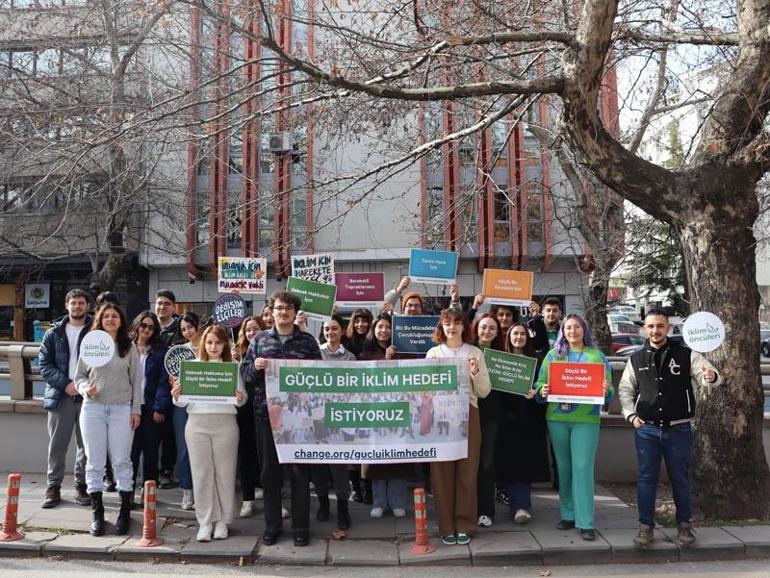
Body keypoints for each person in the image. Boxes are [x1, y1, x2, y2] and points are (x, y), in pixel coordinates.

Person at [619, 309, 721, 548]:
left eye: (660, 326)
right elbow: (625, 390)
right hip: (647, 430)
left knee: (680, 480)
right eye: (651, 326)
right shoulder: (636, 358)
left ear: (669, 328)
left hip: (679, 430)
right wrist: (630, 415)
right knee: (646, 480)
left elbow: (710, 377)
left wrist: (711, 376)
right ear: (644, 328)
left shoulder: (686, 354)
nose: (655, 331)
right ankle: (646, 528)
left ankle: (685, 526)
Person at [242, 291, 323, 547]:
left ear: (294, 312)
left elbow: (320, 377)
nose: (283, 312)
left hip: (298, 420)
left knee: (300, 475)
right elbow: (245, 374)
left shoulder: (308, 343)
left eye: (288, 308)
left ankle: (301, 528)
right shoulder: (259, 341)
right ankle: (272, 526)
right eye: (278, 308)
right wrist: (255, 368)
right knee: (269, 475)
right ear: (272, 311)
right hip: (267, 417)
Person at [536, 314, 613, 541]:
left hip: (586, 419)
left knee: (582, 467)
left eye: (576, 327)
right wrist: (543, 390)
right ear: (563, 331)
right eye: (568, 327)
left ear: (584, 330)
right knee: (565, 468)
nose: (572, 331)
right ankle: (567, 515)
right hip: (557, 418)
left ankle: (585, 521)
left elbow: (608, 393)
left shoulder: (597, 356)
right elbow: (540, 384)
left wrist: (606, 389)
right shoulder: (552, 355)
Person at [171, 324, 247, 542]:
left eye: (218, 342)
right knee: (202, 474)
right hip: (197, 425)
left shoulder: (232, 366)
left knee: (225, 473)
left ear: (225, 344)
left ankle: (223, 521)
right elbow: (181, 403)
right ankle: (205, 522)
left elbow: (243, 399)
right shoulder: (192, 367)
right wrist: (176, 395)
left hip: (225, 424)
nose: (213, 346)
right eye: (210, 342)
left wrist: (240, 397)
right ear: (203, 343)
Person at [75, 303, 141, 536]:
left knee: (122, 461)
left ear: (121, 321)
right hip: (93, 408)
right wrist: (85, 389)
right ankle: (98, 513)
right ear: (100, 320)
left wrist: (136, 411)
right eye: (106, 316)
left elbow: (136, 381)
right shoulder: (91, 344)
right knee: (94, 462)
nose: (111, 320)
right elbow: (79, 377)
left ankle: (124, 512)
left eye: (115, 316)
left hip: (121, 409)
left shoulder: (128, 347)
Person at [426, 308, 491, 546]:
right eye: (447, 323)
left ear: (464, 326)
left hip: (468, 413)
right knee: (441, 473)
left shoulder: (475, 352)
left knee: (467, 471)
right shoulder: (433, 353)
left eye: (456, 323)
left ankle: (464, 524)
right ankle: (446, 526)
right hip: (440, 415)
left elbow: (484, 391)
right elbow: (425, 389)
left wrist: (474, 372)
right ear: (441, 327)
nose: (452, 327)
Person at [39, 289, 93, 509]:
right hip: (61, 395)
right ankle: (54, 486)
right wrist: (66, 384)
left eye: (81, 303)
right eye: (73, 303)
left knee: (86, 445)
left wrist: (86, 385)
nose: (77, 307)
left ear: (88, 306)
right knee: (57, 444)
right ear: (66, 306)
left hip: (89, 395)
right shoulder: (53, 334)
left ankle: (82, 485)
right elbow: (44, 365)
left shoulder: (96, 332)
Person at [358, 313, 413, 519]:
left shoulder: (403, 351)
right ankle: (379, 502)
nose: (383, 331)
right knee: (377, 461)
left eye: (387, 327)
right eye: (380, 327)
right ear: (374, 330)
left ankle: (397, 502)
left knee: (398, 459)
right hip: (375, 415)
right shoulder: (365, 353)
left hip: (398, 412)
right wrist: (385, 361)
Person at [497, 323, 550, 524]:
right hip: (505, 419)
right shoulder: (499, 360)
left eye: (522, 334)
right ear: (508, 336)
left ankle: (521, 506)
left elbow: (544, 386)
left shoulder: (537, 362)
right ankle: (513, 502)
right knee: (508, 463)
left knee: (523, 464)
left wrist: (536, 391)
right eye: (515, 333)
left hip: (528, 419)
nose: (518, 337)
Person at [313, 315, 353, 530]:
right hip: (318, 416)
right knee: (319, 464)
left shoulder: (350, 357)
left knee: (339, 465)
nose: (331, 333)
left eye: (335, 328)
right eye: (327, 329)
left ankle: (343, 508)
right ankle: (323, 504)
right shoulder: (315, 354)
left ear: (342, 330)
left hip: (339, 417)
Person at [129, 311, 172, 505]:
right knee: (130, 453)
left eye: (151, 327)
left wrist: (160, 408)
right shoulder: (125, 348)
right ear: (137, 325)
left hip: (151, 408)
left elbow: (164, 382)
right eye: (143, 325)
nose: (146, 329)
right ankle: (127, 493)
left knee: (151, 453)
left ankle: (149, 495)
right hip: (129, 408)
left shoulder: (159, 352)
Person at [471, 313, 505, 527]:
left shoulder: (502, 355)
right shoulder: (467, 351)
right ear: (476, 328)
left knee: (486, 464)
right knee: (469, 464)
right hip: (468, 412)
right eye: (483, 327)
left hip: (491, 416)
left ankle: (486, 510)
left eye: (492, 328)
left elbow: (511, 385)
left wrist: (526, 390)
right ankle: (468, 508)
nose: (487, 331)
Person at [232, 315, 264, 518]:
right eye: (248, 330)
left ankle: (273, 499)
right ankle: (247, 500)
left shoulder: (269, 348)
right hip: (243, 410)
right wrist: (234, 361)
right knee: (246, 455)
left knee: (266, 457)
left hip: (265, 408)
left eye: (255, 329)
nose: (252, 333)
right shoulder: (236, 352)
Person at [155, 290, 183, 490]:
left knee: (170, 435)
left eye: (166, 303)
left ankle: (167, 471)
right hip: (152, 387)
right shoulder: (148, 325)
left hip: (174, 387)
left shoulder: (179, 329)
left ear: (173, 306)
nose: (162, 307)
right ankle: (148, 473)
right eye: (159, 303)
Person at [175, 311, 201, 510]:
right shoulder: (179, 351)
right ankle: (187, 490)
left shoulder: (210, 345)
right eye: (183, 329)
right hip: (183, 406)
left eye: (189, 327)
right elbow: (173, 377)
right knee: (184, 449)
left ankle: (203, 491)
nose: (187, 332)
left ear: (198, 326)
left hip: (205, 405)